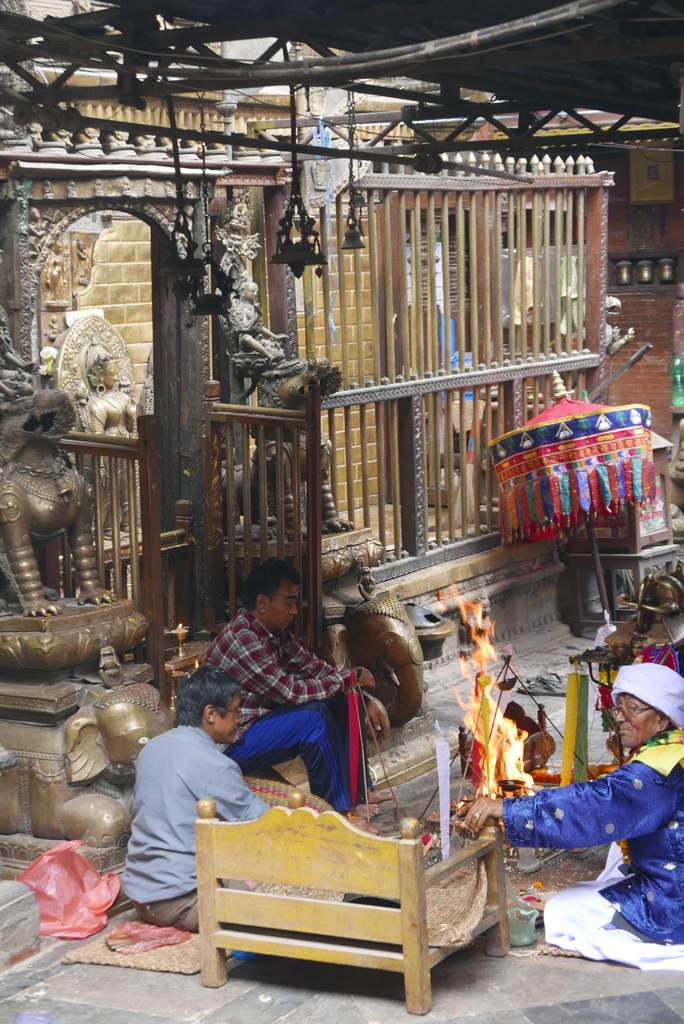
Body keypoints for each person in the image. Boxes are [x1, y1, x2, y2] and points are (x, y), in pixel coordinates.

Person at [462, 661, 684, 969]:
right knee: (601, 873)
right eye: (618, 709)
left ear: (661, 720)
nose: (620, 719)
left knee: (566, 910)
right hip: (671, 868)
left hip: (675, 898)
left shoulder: (655, 773)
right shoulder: (673, 750)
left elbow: (593, 806)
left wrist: (507, 808)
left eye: (632, 709)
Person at [204, 559, 390, 814]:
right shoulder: (243, 639)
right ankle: (340, 812)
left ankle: (360, 791)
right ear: (262, 604)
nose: (294, 611)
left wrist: (360, 693)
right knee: (314, 720)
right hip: (228, 743)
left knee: (341, 698)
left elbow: (315, 668)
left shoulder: (272, 632)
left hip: (256, 725)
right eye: (288, 603)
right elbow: (291, 692)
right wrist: (349, 679)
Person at [123, 666, 268, 932]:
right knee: (284, 897)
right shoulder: (212, 762)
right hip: (182, 900)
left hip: (140, 894)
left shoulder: (152, 748)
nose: (239, 719)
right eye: (235, 711)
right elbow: (263, 822)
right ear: (211, 714)